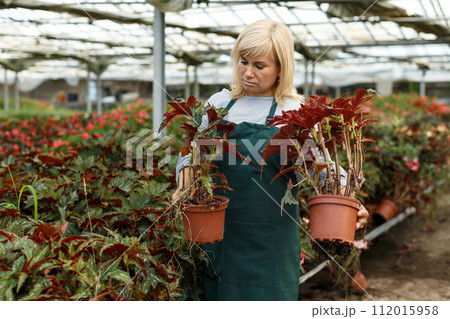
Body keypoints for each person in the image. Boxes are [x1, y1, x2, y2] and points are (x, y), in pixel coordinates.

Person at [174, 19, 369, 301]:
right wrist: (185, 178)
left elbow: (321, 166)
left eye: (259, 66)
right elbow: (191, 156)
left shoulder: (294, 110)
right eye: (243, 62)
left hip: (272, 243)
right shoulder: (219, 104)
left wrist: (350, 201)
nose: (248, 73)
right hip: (219, 237)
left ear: (280, 68)